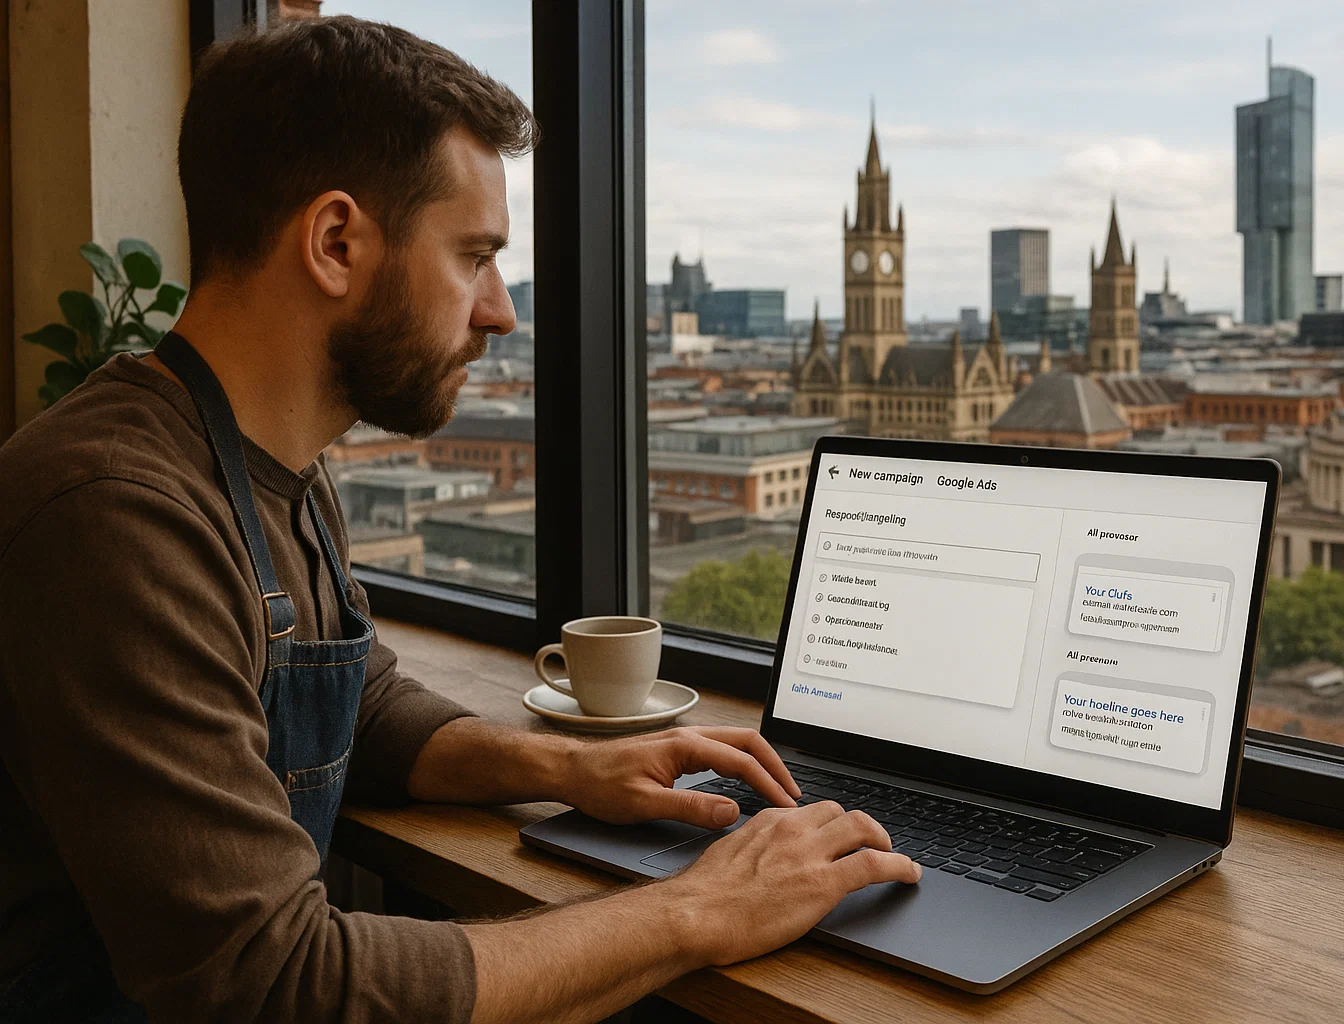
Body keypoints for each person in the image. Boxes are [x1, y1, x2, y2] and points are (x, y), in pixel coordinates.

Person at [0, 16, 919, 1024]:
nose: (501, 312)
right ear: (336, 241)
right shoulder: (116, 517)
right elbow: (269, 987)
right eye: (474, 255)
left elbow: (351, 700)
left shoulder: (272, 462)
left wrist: (574, 766)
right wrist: (702, 907)